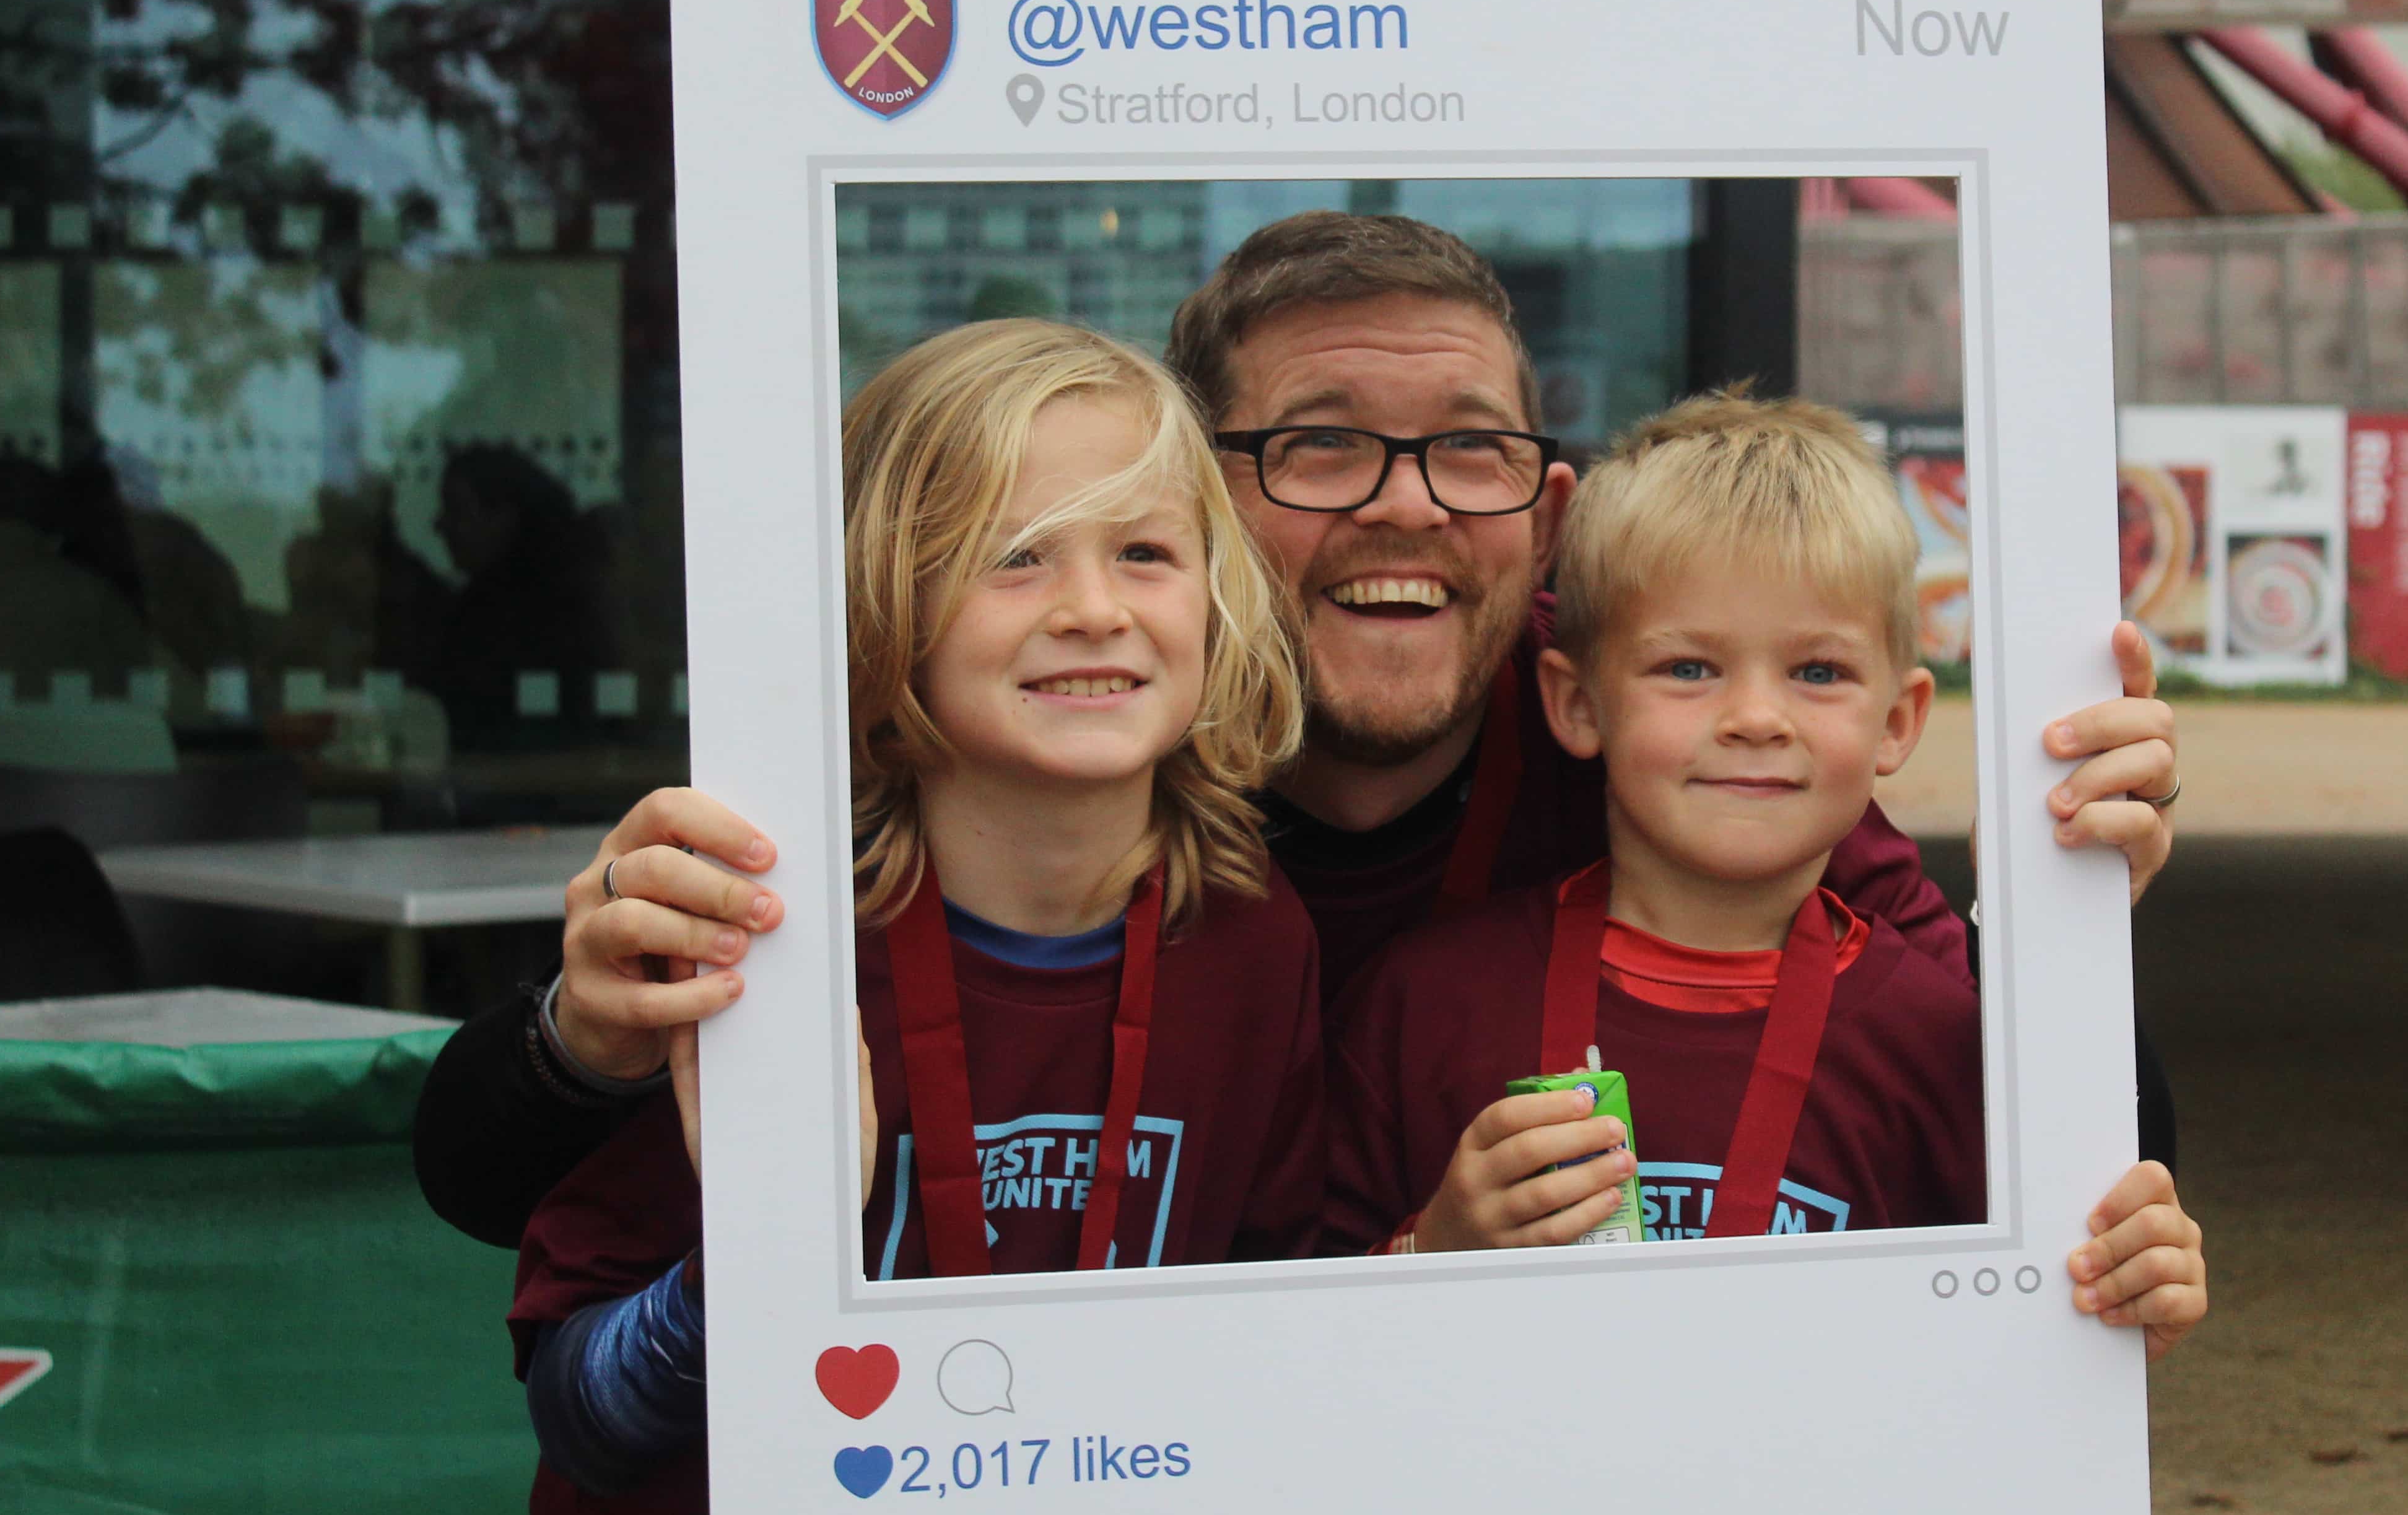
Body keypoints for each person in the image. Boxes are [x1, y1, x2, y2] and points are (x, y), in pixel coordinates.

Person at [414, 214, 2185, 1244]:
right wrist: (583, 1036)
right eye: (1321, 446)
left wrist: (2081, 890)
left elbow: (2038, 1111)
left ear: (1547, 515)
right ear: (1199, 494)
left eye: (1471, 449)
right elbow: (486, 1180)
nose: (1408, 512)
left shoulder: (1664, 755)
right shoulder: (1046, 756)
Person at [507, 323, 1319, 1515]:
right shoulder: (746, 938)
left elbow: (1268, 1367)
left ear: (1218, 606)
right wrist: (767, 1260)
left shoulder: (1251, 939)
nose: (1095, 608)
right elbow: (586, 1420)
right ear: (880, 603)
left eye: (1146, 553)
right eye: (1015, 556)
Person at [1325, 394, 2203, 1351]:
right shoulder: (1425, 1002)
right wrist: (1431, 1253)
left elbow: (2071, 1302)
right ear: (1576, 704)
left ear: (1899, 723)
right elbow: (1285, 1348)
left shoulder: (1947, 1037)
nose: (1755, 717)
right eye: (1690, 669)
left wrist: (2127, 1294)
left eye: (1818, 673)